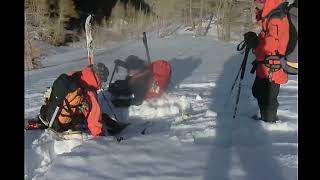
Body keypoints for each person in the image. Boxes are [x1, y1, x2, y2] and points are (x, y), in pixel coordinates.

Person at [36, 63, 109, 137]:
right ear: (100, 78)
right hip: (62, 124)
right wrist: (99, 136)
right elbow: (93, 117)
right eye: (103, 80)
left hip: (51, 113)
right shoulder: (89, 91)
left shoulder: (76, 75)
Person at [250, 0, 290, 123]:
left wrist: (255, 44)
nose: (255, 4)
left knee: (269, 98)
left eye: (258, 1)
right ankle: (265, 118)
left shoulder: (276, 18)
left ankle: (269, 123)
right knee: (259, 92)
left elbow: (271, 45)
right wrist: (257, 40)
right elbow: (266, 38)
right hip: (266, 64)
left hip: (273, 66)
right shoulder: (271, 15)